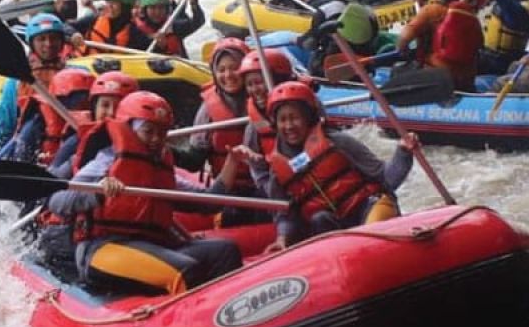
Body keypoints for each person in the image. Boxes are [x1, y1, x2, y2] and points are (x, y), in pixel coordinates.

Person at [46, 91, 243, 295]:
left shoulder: (160, 167)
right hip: (103, 249)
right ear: (129, 129)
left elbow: (208, 203)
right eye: (148, 131)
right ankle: (193, 324)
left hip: (153, 246)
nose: (156, 139)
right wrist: (98, 193)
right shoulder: (105, 161)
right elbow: (57, 201)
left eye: (161, 132)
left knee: (225, 252)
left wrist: (232, 163)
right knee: (184, 270)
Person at [227, 82, 417, 250]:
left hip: (367, 207)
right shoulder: (277, 171)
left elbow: (386, 177)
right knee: (319, 219)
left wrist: (403, 153)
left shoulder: (338, 141)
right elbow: (285, 216)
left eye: (294, 118)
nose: (289, 126)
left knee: (374, 217)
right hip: (333, 225)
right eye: (283, 120)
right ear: (275, 124)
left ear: (309, 118)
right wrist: (283, 238)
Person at [206, 49, 298, 227]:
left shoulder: (307, 110)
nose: (255, 89)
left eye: (260, 82)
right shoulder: (254, 128)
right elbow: (260, 175)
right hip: (276, 192)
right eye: (250, 84)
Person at [0, 13, 70, 157]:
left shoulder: (76, 74)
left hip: (64, 144)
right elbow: (3, 125)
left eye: (53, 38)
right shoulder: (17, 81)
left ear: (62, 42)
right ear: (31, 44)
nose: (48, 44)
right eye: (41, 39)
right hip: (28, 144)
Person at [177, 38, 250, 183]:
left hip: (265, 186)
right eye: (221, 70)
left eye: (234, 67)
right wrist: (162, 148)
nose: (228, 75)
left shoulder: (262, 97)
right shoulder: (207, 110)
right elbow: (194, 161)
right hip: (229, 188)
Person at [394, 0, 480, 89]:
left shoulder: (429, 11)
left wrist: (402, 50)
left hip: (436, 76)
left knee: (397, 71)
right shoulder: (470, 14)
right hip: (466, 80)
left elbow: (403, 39)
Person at [49, 70, 139, 178]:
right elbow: (52, 178)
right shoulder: (76, 140)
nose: (111, 112)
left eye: (118, 107)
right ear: (94, 107)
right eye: (105, 105)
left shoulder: (144, 138)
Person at [0, 67, 95, 165]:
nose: (82, 109)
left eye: (85, 102)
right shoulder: (37, 122)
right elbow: (19, 156)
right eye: (76, 101)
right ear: (58, 99)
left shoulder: (98, 125)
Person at [69, 0, 152, 51]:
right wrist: (73, 34)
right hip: (83, 65)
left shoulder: (134, 33)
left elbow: (150, 51)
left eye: (114, 3)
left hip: (112, 69)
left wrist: (159, 45)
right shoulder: (93, 19)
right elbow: (66, 26)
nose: (109, 6)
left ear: (125, 7)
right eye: (108, 2)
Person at [132, 0, 205, 57]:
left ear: (166, 9)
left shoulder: (174, 26)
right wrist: (151, 39)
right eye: (152, 7)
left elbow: (198, 22)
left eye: (161, 8)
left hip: (177, 66)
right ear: (145, 9)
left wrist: (193, 0)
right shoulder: (136, 29)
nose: (157, 12)